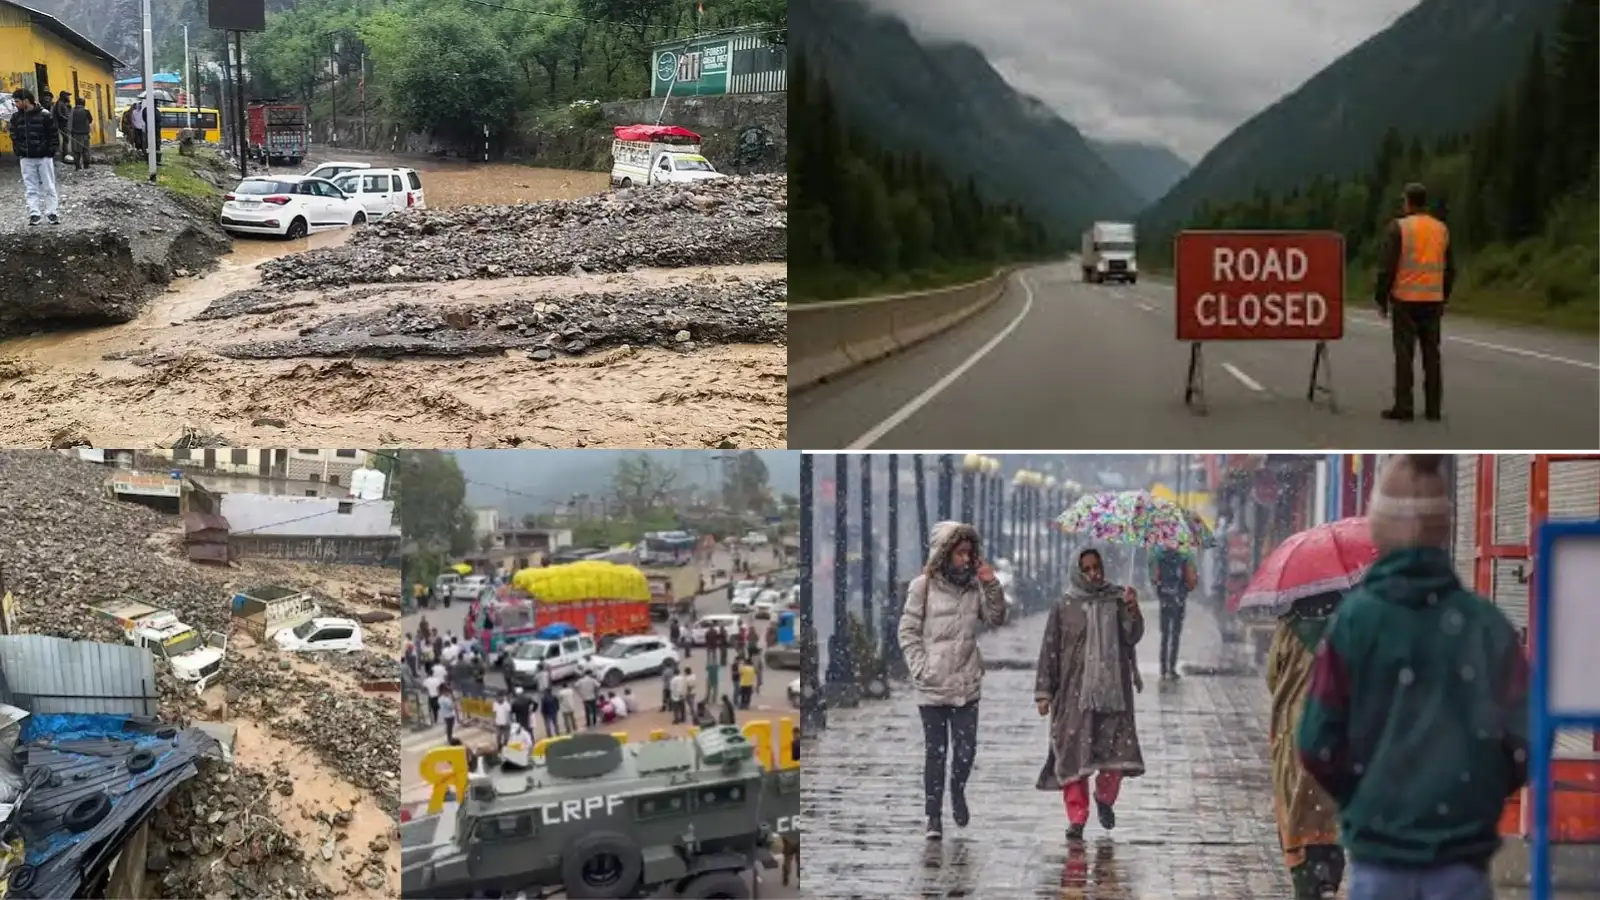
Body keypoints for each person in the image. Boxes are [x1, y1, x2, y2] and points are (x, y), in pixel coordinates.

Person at [1298, 455, 1529, 900]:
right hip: (1462, 862)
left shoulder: (1355, 623)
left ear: (1380, 529)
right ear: (1444, 528)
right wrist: (1476, 795)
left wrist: (1366, 797)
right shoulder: (1486, 625)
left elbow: (1316, 741)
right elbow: (1522, 737)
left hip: (1379, 862)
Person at [896, 521, 1008, 840]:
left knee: (965, 750)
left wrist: (991, 583)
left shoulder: (975, 586)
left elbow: (997, 618)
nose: (965, 559)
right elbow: (907, 630)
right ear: (945, 554)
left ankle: (957, 789)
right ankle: (933, 816)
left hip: (966, 682)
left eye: (969, 553)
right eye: (959, 553)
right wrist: (922, 667)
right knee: (936, 752)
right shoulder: (923, 586)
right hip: (932, 684)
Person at [1034, 547, 1146, 841]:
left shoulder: (1117, 599)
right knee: (1074, 753)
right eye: (1087, 569)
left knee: (1114, 754)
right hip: (1074, 695)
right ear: (1077, 571)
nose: (1094, 573)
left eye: (1097, 567)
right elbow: (1051, 650)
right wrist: (1044, 692)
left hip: (1113, 694)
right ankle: (1077, 817)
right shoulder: (1065, 605)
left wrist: (1133, 612)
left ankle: (1105, 799)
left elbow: (1131, 636)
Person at [1268, 591, 1346, 899]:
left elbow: (1273, 677)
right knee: (1332, 811)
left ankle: (1306, 880)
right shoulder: (1350, 626)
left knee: (1295, 810)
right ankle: (1329, 875)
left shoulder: (1289, 627)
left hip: (1296, 732)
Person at [1375, 182, 1454, 422]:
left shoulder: (1398, 227)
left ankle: (1404, 407)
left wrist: (1381, 297)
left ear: (1408, 202)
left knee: (1404, 354)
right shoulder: (1441, 229)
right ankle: (1433, 409)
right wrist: (1444, 295)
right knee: (1432, 355)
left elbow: (1387, 267)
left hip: (1405, 300)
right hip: (1432, 300)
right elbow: (1451, 268)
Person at [7, 89, 60, 226]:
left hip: (44, 157)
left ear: (26, 100)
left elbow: (54, 136)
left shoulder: (45, 115)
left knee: (49, 185)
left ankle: (52, 213)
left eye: (17, 101)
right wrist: (19, 151)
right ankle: (34, 213)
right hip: (26, 158)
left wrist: (50, 151)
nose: (16, 104)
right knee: (31, 187)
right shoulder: (15, 118)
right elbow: (14, 136)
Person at [1148, 547, 1197, 681]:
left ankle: (1164, 668)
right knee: (1175, 634)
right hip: (1178, 599)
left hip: (1165, 598)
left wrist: (1161, 589)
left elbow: (1154, 578)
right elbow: (1191, 580)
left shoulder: (1158, 556)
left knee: (1165, 634)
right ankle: (1171, 667)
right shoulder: (1184, 557)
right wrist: (1184, 591)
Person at [68, 96, 91, 170]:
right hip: (85, 134)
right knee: (85, 150)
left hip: (75, 135)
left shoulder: (72, 111)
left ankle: (77, 166)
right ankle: (86, 166)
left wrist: (70, 131)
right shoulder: (86, 111)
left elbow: (69, 122)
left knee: (76, 151)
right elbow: (90, 120)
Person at [51, 91, 70, 162]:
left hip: (64, 125)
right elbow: (59, 114)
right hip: (62, 125)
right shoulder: (59, 103)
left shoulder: (63, 103)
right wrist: (65, 118)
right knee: (65, 139)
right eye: (67, 96)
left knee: (66, 140)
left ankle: (65, 155)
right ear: (63, 96)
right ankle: (65, 155)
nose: (68, 97)